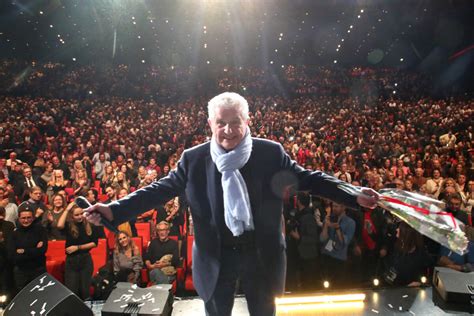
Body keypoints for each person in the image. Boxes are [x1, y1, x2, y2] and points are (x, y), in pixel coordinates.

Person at [84, 92, 378, 316]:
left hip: (262, 254)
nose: (227, 130)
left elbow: (311, 180)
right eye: (220, 123)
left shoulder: (270, 154)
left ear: (248, 121)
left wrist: (353, 195)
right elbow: (159, 190)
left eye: (235, 122)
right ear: (210, 123)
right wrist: (115, 209)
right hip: (216, 257)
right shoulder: (193, 159)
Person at [57, 202, 98, 300]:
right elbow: (59, 225)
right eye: (76, 215)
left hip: (85, 259)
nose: (80, 216)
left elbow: (94, 243)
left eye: (81, 214)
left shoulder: (90, 224)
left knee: (85, 290)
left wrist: (78, 247)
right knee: (72, 290)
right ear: (72, 216)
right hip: (71, 261)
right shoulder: (69, 225)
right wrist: (67, 209)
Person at [7, 208, 48, 293]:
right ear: (19, 219)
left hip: (38, 270)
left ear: (33, 218)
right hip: (21, 272)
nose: (26, 220)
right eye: (23, 218)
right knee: (23, 297)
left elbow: (42, 251)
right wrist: (34, 250)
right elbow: (12, 255)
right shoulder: (14, 233)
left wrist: (24, 251)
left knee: (41, 295)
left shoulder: (41, 230)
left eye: (29, 217)